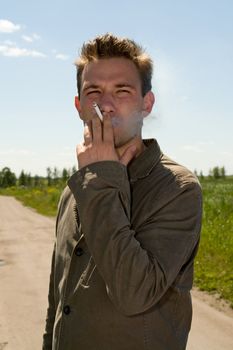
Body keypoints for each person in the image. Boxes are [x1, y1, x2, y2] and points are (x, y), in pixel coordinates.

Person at [42, 33, 202, 350]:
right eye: (93, 92)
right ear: (78, 105)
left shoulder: (178, 188)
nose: (106, 106)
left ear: (147, 103)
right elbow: (59, 296)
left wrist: (101, 178)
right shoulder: (74, 188)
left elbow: (134, 293)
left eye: (123, 91)